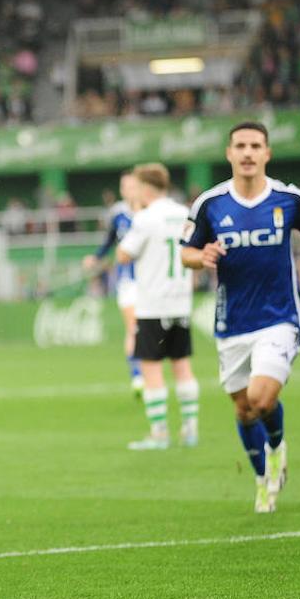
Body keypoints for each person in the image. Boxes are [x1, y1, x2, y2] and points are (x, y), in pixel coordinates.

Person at [181, 122, 300, 513]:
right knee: (243, 408)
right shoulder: (209, 204)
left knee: (261, 399)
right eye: (240, 146)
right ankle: (263, 480)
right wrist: (202, 256)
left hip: (280, 316)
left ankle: (277, 447)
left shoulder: (288, 198)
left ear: (267, 153)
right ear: (229, 153)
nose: (247, 153)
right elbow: (185, 253)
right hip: (232, 322)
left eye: (255, 146)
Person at [115, 163, 199, 450]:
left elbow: (123, 255)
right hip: (181, 302)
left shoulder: (145, 218)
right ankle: (190, 430)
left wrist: (137, 213)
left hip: (152, 304)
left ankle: (159, 433)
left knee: (151, 369)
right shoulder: (184, 213)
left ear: (146, 189)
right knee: (183, 367)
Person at [83, 171, 142, 394]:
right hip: (128, 279)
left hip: (152, 280)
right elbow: (109, 241)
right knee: (133, 327)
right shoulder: (117, 214)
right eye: (124, 186)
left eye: (132, 186)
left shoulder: (150, 211)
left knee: (149, 331)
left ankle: (147, 371)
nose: (128, 190)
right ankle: (137, 376)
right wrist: (96, 257)